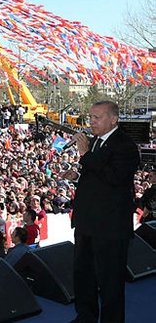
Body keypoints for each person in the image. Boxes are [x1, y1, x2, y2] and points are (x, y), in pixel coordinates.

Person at [65, 101, 140, 323]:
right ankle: (86, 317)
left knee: (110, 281)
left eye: (97, 117)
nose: (92, 122)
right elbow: (97, 180)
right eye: (91, 117)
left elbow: (115, 179)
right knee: (84, 276)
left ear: (113, 119)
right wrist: (76, 177)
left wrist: (85, 154)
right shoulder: (96, 142)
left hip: (110, 227)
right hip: (87, 223)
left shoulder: (125, 146)